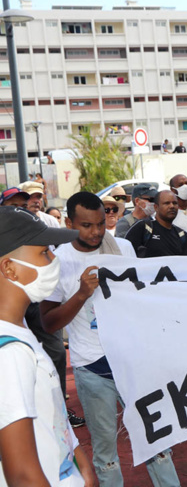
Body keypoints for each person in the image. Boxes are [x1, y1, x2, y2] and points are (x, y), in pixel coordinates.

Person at [40, 192, 182, 486]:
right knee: (106, 455)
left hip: (134, 362)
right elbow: (49, 321)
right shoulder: (59, 261)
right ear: (69, 223)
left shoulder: (124, 248)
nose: (95, 232)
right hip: (92, 369)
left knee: (158, 444)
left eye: (100, 224)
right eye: (86, 225)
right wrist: (81, 294)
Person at [0, 206, 95, 487]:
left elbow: (49, 413)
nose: (54, 259)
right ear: (9, 268)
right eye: (43, 252)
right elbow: (23, 475)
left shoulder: (21, 329)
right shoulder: (9, 353)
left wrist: (79, 460)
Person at [125, 191, 187, 257]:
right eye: (166, 203)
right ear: (156, 207)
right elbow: (126, 254)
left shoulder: (183, 236)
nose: (172, 206)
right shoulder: (143, 228)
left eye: (175, 203)